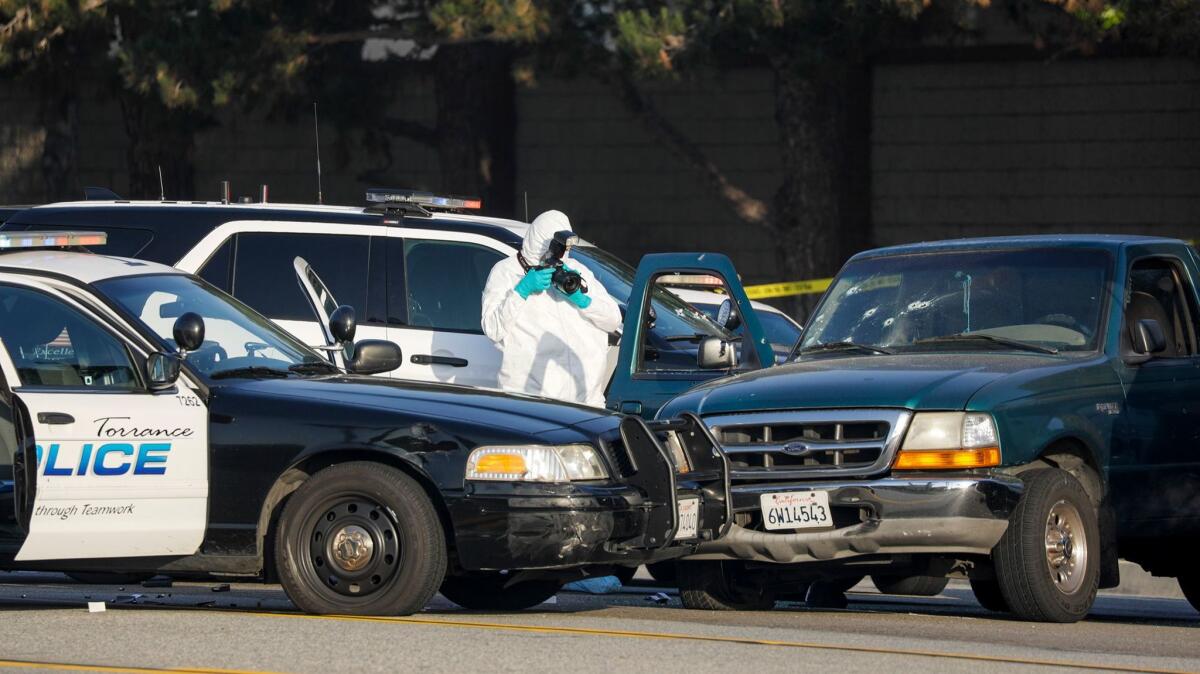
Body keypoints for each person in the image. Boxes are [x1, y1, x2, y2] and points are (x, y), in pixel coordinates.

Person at [481, 210, 621, 407]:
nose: (559, 255)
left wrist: (583, 300)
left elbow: (613, 320)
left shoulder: (575, 270)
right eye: (556, 248)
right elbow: (493, 329)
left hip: (586, 400)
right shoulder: (506, 272)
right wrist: (521, 291)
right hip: (533, 401)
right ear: (539, 241)